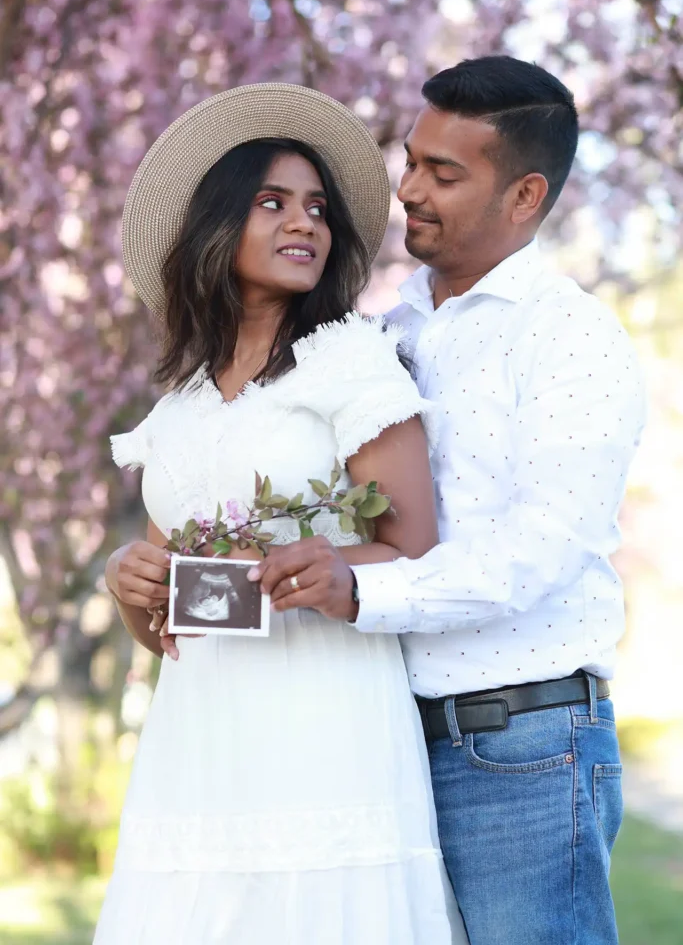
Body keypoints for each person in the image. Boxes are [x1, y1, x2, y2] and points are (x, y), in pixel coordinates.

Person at [249, 57, 646, 945]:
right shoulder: (390, 333)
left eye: (443, 173)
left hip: (520, 745)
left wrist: (363, 589)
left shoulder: (570, 336)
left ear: (523, 195)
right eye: (411, 160)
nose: (407, 191)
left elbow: (536, 550)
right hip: (380, 738)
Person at [96, 84, 466, 944]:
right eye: (272, 204)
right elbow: (169, 624)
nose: (304, 223)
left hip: (324, 714)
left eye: (316, 209)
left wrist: (333, 570)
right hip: (199, 732)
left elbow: (414, 548)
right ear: (213, 228)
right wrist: (130, 585)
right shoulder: (180, 404)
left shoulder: (349, 362)